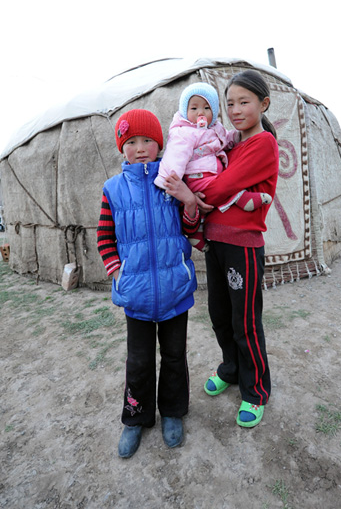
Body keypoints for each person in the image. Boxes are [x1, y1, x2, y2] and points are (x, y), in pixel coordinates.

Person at [97, 109, 201, 458]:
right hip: (137, 295)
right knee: (138, 361)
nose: (140, 148)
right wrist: (117, 272)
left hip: (175, 288)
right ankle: (136, 418)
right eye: (131, 142)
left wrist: (188, 201)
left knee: (174, 356)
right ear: (121, 147)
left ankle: (172, 413)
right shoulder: (112, 190)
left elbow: (190, 229)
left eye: (147, 140)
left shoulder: (172, 181)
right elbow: (104, 237)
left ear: (160, 143)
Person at [199, 70, 279, 428]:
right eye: (229, 103)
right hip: (215, 242)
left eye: (243, 102)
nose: (234, 110)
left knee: (244, 321)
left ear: (263, 104)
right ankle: (230, 369)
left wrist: (192, 194)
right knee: (219, 314)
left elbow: (219, 188)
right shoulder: (230, 143)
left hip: (242, 247)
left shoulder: (263, 144)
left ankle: (255, 390)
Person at [154, 82, 272, 250]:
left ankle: (196, 233)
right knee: (220, 188)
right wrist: (169, 179)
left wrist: (237, 137)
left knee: (212, 193)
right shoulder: (183, 132)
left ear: (214, 111)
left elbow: (224, 139)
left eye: (206, 108)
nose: (200, 113)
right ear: (184, 111)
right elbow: (175, 155)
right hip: (197, 176)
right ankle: (241, 198)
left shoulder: (215, 127)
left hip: (211, 174)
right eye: (194, 108)